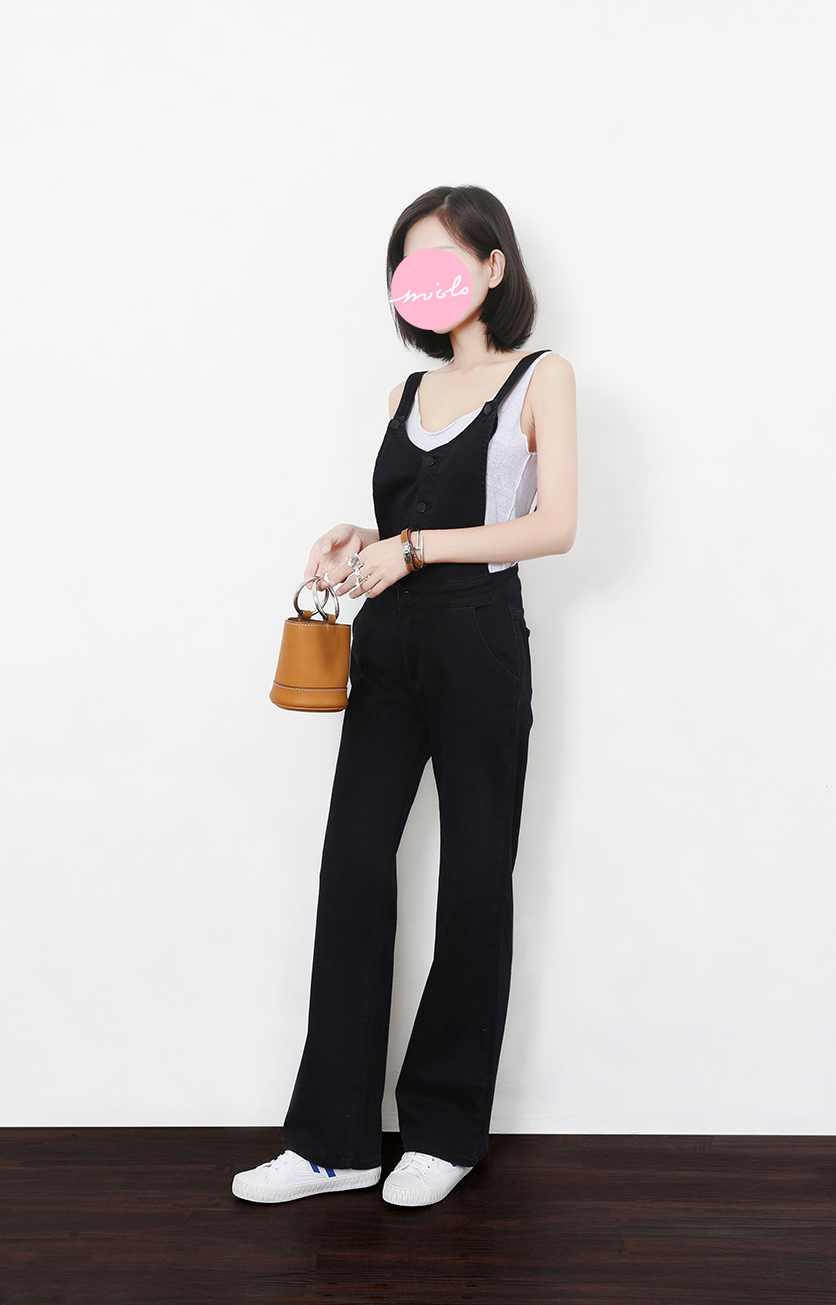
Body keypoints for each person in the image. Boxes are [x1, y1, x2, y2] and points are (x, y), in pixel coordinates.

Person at [233, 184, 578, 1209]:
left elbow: (553, 525)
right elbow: (400, 523)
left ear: (492, 267)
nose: (423, 280)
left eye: (442, 259)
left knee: (474, 877)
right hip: (387, 646)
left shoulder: (541, 377)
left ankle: (443, 1129)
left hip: (478, 641)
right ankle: (333, 1143)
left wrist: (417, 547)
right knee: (351, 865)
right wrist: (359, 538)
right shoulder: (402, 393)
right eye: (408, 265)